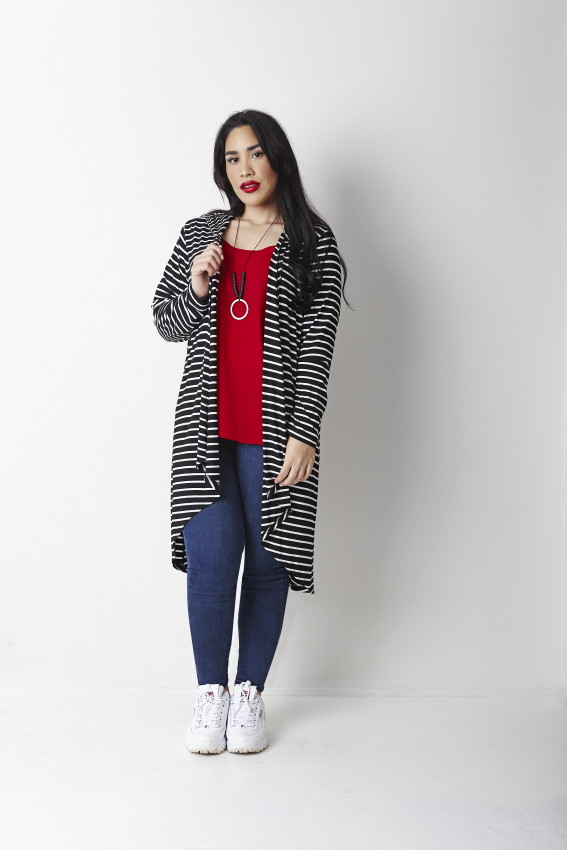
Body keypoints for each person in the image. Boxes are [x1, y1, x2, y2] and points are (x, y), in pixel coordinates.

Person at [151, 109, 351, 755]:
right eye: (232, 157)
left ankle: (249, 695)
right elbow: (166, 322)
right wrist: (197, 284)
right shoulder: (200, 234)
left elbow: (317, 347)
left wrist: (305, 432)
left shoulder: (313, 242)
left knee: (267, 564)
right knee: (211, 564)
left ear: (278, 160)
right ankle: (210, 693)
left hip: (278, 434)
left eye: (255, 153)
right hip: (204, 432)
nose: (244, 168)